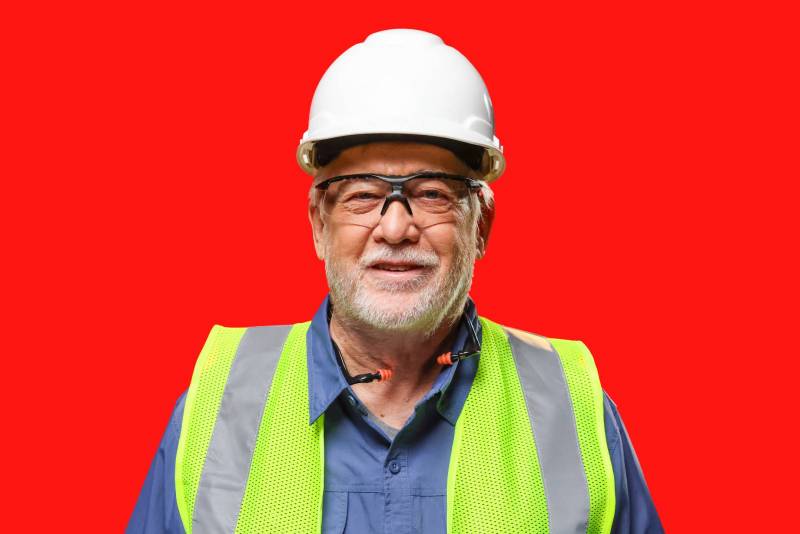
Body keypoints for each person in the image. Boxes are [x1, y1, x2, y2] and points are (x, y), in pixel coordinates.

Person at [128, 28, 663, 534]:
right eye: (363, 194)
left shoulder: (569, 406)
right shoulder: (222, 402)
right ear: (319, 222)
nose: (395, 226)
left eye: (431, 193)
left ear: (481, 225)